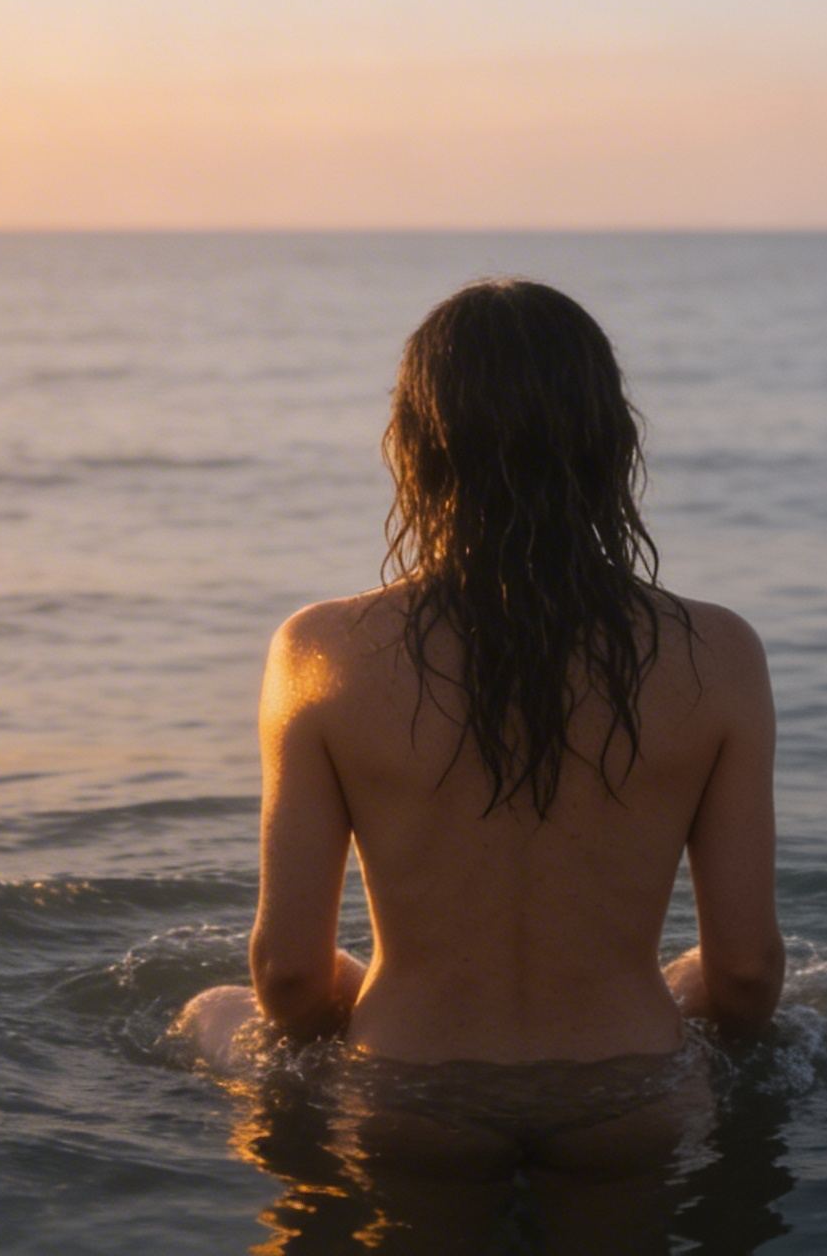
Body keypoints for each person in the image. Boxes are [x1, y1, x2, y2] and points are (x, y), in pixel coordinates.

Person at [178, 278, 782, 1247]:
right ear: (611, 446)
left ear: (413, 450)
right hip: (628, 1101)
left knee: (211, 1007)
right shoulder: (718, 654)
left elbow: (286, 977)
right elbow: (749, 976)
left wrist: (343, 1010)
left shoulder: (319, 653)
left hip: (408, 1102)